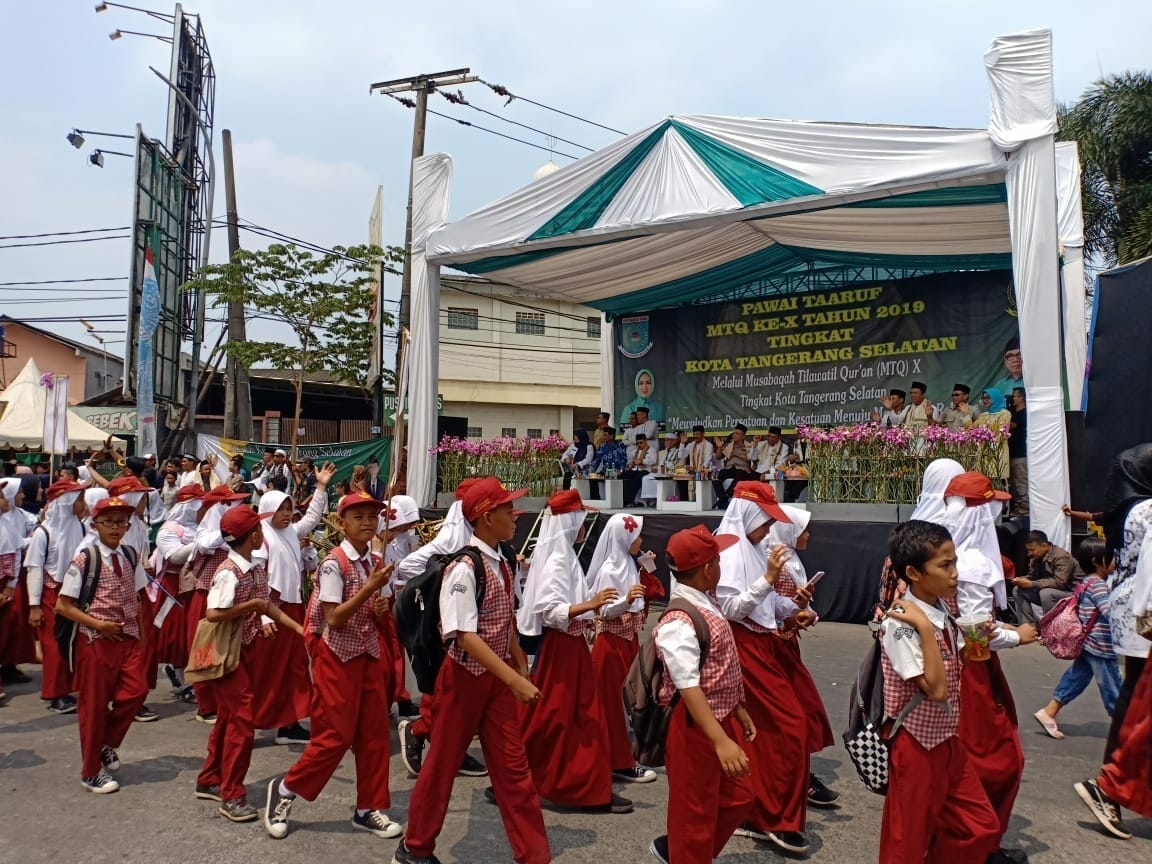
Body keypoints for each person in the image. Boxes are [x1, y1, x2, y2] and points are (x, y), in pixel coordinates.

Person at [393, 477, 550, 864]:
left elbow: (502, 617)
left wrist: (518, 657)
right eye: (506, 509)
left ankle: (534, 855)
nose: (515, 515)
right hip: (463, 679)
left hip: (493, 680)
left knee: (514, 769)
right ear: (484, 517)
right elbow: (462, 635)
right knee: (443, 764)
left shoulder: (501, 559)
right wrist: (513, 677)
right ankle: (415, 847)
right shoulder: (464, 568)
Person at [263, 491, 400, 841]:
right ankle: (286, 788)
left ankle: (368, 808)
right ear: (342, 523)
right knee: (334, 737)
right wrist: (369, 590)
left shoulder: (376, 559)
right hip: (337, 657)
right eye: (359, 516)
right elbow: (334, 618)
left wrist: (379, 606)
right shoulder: (332, 563)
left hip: (367, 654)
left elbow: (371, 609)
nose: (368, 522)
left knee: (374, 736)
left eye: (373, 515)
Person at [878, 520, 1000, 861]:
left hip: (945, 739)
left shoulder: (941, 608)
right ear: (914, 573)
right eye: (945, 565)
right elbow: (934, 688)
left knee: (980, 826)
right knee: (906, 838)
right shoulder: (901, 623)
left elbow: (953, 659)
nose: (955, 573)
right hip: (915, 743)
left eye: (954, 562)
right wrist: (922, 627)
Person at [935, 469, 1038, 858]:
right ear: (980, 511)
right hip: (973, 667)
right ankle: (979, 838)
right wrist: (1018, 636)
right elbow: (977, 634)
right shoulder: (975, 562)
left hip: (948, 660)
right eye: (991, 504)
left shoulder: (946, 552)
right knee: (997, 756)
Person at [515, 488, 631, 813]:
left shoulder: (563, 556)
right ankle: (566, 782)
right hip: (562, 647)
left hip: (571, 644)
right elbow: (550, 610)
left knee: (566, 715)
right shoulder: (557, 560)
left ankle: (575, 782)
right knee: (563, 715)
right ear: (570, 522)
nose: (584, 526)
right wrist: (590, 605)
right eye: (581, 519)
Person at [715, 482, 815, 856]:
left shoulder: (751, 548)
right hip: (743, 647)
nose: (767, 530)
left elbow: (765, 602)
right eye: (764, 521)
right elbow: (731, 608)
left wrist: (793, 606)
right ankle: (773, 815)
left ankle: (762, 811)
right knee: (789, 727)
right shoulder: (727, 548)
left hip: (760, 644)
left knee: (767, 732)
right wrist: (770, 581)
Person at [649, 524, 754, 864]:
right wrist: (720, 740)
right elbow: (688, 684)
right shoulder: (680, 619)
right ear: (709, 568)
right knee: (695, 811)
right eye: (717, 560)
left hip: (714, 717)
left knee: (738, 796)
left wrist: (737, 708)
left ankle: (685, 851)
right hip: (694, 725)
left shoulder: (704, 602)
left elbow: (718, 668)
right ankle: (687, 852)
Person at [197, 505, 304, 823]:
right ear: (252, 536)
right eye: (257, 529)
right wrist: (251, 606)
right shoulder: (229, 571)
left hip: (244, 650)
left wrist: (300, 630)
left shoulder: (255, 565)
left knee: (230, 719)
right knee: (242, 722)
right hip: (227, 653)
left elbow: (268, 605)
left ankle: (209, 778)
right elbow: (213, 613)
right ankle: (232, 794)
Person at [1072, 443, 1152, 839]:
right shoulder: (1149, 509)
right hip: (1144, 612)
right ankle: (1111, 786)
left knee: (1135, 700)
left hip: (1129, 608)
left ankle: (1118, 787)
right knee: (1137, 704)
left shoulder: (1128, 508)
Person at [55, 496, 152, 794]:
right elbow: (63, 605)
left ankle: (105, 742)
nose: (116, 528)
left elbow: (137, 595)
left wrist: (142, 634)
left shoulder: (130, 554)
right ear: (95, 524)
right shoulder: (86, 558)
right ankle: (90, 771)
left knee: (136, 692)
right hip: (95, 640)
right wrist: (99, 625)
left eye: (122, 522)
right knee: (93, 707)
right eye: (109, 522)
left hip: (128, 637)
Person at [395, 479, 489, 781]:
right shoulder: (450, 540)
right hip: (447, 628)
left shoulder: (473, 538)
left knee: (454, 694)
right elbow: (408, 567)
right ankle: (423, 732)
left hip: (469, 624)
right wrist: (439, 586)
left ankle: (435, 739)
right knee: (449, 692)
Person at [248, 463, 333, 745]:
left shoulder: (289, 534)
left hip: (292, 607)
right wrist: (263, 617)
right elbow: (257, 579)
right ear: (267, 511)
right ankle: (247, 720)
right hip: (271, 610)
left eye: (289, 510)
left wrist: (320, 487)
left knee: (295, 665)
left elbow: (310, 519)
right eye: (281, 510)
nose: (286, 515)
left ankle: (289, 722)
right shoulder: (260, 539)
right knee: (268, 669)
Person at [765, 505, 839, 809]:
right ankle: (792, 778)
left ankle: (796, 774)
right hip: (774, 646)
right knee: (792, 713)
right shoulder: (776, 562)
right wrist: (795, 614)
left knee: (800, 710)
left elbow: (789, 607)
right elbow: (766, 609)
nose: (808, 534)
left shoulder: (790, 560)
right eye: (802, 528)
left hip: (786, 642)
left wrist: (802, 611)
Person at [586, 512, 657, 784]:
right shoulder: (609, 569)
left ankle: (623, 754)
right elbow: (603, 609)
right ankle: (618, 761)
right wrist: (626, 601)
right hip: (611, 643)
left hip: (627, 640)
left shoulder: (629, 562)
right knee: (613, 705)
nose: (640, 540)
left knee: (629, 700)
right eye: (635, 535)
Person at [1034, 536, 1121, 738]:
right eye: (1111, 557)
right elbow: (1109, 612)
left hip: (1089, 643)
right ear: (1096, 560)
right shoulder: (1098, 585)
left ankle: (1049, 712)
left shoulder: (1087, 582)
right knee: (1113, 689)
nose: (1115, 560)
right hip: (1100, 646)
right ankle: (1124, 726)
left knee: (1076, 678)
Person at [186, 485, 253, 723]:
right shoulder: (207, 534)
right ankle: (206, 705)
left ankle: (223, 702)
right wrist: (227, 530)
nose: (237, 506)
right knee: (207, 649)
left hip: (234, 600)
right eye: (230, 504)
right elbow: (206, 544)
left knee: (229, 650)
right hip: (208, 596)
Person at [25, 479, 87, 713]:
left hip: (74, 591)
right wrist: (34, 605)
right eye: (79, 499)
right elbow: (33, 568)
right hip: (51, 594)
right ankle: (54, 693)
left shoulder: (80, 527)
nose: (83, 504)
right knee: (53, 645)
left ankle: (68, 688)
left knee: (72, 643)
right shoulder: (44, 532)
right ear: (66, 502)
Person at [152, 484, 207, 702]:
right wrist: (200, 545)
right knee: (177, 636)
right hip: (173, 586)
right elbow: (174, 556)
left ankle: (184, 676)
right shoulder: (169, 530)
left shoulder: (200, 527)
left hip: (193, 583)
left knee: (190, 633)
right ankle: (185, 682)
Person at [1012, 530, 1082, 625]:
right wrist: (1022, 580)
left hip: (1072, 593)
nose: (1029, 553)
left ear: (1044, 546)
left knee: (1046, 593)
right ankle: (1028, 627)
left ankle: (1051, 626)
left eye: (1032, 550)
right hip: (1052, 592)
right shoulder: (1035, 558)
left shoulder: (1061, 556)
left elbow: (1060, 582)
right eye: (1028, 550)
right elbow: (1033, 576)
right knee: (1018, 590)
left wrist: (1032, 584)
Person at [712, 424, 756, 509]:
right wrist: (720, 447)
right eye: (734, 433)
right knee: (718, 475)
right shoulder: (729, 445)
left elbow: (752, 458)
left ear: (743, 436)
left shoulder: (749, 446)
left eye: (737, 433)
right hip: (730, 468)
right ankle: (723, 497)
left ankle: (726, 496)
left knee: (740, 474)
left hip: (743, 469)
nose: (734, 435)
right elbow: (718, 457)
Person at [975, 388, 1012, 483]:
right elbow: (974, 430)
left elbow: (1000, 432)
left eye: (988, 397)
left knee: (998, 482)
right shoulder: (983, 415)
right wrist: (966, 414)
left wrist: (986, 432)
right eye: (983, 398)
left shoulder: (1005, 413)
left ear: (996, 397)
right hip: (983, 454)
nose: (985, 400)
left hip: (998, 452)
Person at [1008, 387, 1028, 515]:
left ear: (1022, 398)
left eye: (1015, 396)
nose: (1013, 398)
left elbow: (1009, 426)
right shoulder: (1014, 412)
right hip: (1014, 452)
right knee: (1015, 482)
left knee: (1020, 480)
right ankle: (1019, 505)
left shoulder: (1024, 413)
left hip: (1021, 453)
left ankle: (1025, 507)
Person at [622, 434, 656, 505]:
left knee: (636, 479)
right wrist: (630, 464)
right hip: (634, 469)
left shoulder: (652, 450)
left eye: (641, 442)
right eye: (637, 443)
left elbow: (653, 460)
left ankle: (629, 500)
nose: (639, 444)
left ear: (645, 441)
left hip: (645, 470)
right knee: (623, 477)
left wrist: (642, 461)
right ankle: (621, 498)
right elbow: (631, 460)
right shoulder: (635, 451)